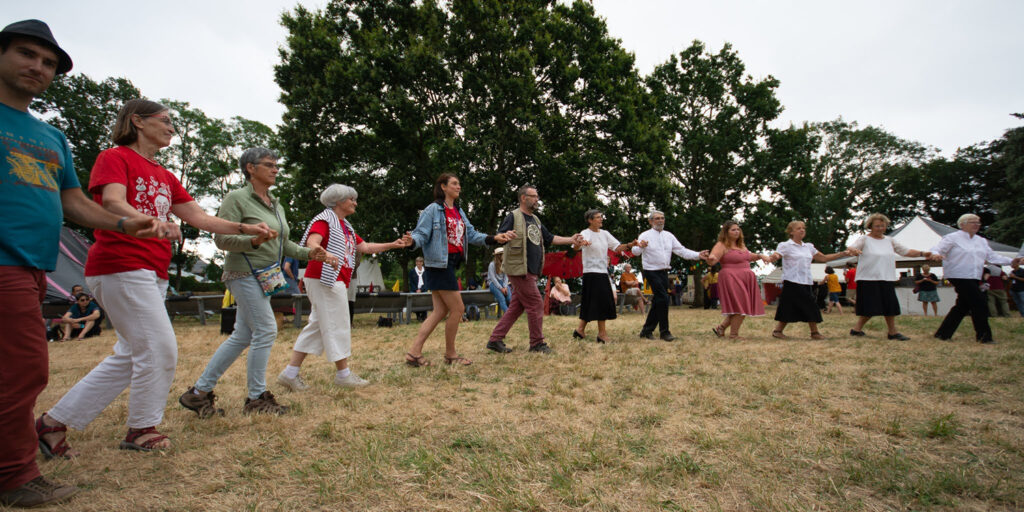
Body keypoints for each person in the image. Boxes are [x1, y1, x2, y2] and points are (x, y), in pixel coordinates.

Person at [39, 99, 275, 458]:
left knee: (131, 354)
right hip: (121, 264)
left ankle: (53, 423)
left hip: (153, 270)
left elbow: (200, 218)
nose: (171, 128)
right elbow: (112, 202)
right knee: (160, 348)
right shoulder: (114, 158)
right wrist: (148, 222)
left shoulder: (165, 175)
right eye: (164, 121)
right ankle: (142, 429)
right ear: (137, 121)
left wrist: (245, 227)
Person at [0, 21, 166, 507]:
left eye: (49, 63)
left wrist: (122, 224)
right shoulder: (116, 157)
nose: (38, 67)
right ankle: (16, 473)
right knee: (25, 370)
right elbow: (111, 194)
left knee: (25, 370)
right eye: (27, 54)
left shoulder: (50, 137)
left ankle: (30, 449)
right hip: (9, 262)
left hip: (34, 264)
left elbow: (74, 202)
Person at [178, 148, 335, 419]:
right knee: (265, 329)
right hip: (243, 273)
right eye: (269, 165)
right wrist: (252, 240)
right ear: (250, 168)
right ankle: (255, 397)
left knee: (242, 335)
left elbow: (283, 243)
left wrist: (310, 253)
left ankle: (199, 393)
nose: (275, 169)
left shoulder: (276, 204)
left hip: (266, 274)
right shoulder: (236, 198)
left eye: (277, 165)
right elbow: (220, 239)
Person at [277, 184, 409, 392]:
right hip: (324, 278)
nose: (355, 203)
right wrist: (325, 254)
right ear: (338, 201)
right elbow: (312, 242)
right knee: (338, 324)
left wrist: (392, 244)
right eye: (351, 199)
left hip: (332, 279)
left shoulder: (345, 226)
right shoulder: (324, 220)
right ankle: (343, 374)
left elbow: (364, 247)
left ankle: (290, 373)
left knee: (318, 325)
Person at [405, 173, 515, 366]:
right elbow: (421, 234)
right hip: (439, 265)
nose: (458, 187)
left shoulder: (458, 211)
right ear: (443, 187)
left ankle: (414, 353)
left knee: (439, 311)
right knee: (458, 308)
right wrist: (412, 241)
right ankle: (450, 355)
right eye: (454, 184)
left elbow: (471, 234)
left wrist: (494, 238)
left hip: (448, 265)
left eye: (459, 184)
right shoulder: (433, 210)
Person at [485, 185, 583, 353]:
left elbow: (550, 238)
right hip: (519, 270)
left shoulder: (535, 220)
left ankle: (495, 340)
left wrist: (570, 239)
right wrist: (505, 237)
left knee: (517, 306)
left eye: (537, 196)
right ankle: (536, 343)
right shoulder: (513, 217)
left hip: (531, 270)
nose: (537, 199)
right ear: (523, 198)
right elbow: (499, 237)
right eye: (534, 196)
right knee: (537, 304)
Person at [931, 214, 1019, 343]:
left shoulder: (981, 241)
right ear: (962, 224)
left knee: (962, 306)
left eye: (978, 222)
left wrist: (1011, 261)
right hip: (958, 275)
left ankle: (943, 333)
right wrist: (936, 255)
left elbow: (992, 257)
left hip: (975, 276)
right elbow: (937, 249)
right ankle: (984, 336)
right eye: (973, 222)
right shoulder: (952, 238)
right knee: (980, 302)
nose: (977, 225)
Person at [846, 213, 931, 340]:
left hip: (887, 278)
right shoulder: (865, 239)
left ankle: (892, 332)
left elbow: (905, 251)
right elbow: (851, 249)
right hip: (868, 279)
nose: (880, 228)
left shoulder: (890, 240)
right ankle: (856, 329)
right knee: (870, 309)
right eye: (877, 226)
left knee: (890, 306)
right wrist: (853, 251)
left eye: (882, 226)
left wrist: (923, 253)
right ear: (871, 226)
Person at [766, 221, 852, 340]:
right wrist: (772, 257)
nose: (802, 230)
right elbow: (777, 255)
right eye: (798, 228)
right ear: (791, 232)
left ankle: (778, 331)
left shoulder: (809, 247)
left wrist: (842, 254)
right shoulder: (785, 245)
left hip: (805, 281)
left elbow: (824, 258)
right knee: (809, 305)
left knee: (789, 306)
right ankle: (814, 333)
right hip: (792, 281)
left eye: (803, 228)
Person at [631, 211, 707, 340]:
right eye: (657, 219)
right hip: (651, 270)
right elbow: (635, 252)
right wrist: (640, 246)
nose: (660, 221)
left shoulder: (669, 236)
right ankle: (664, 332)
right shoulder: (645, 235)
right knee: (663, 298)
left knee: (659, 301)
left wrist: (698, 255)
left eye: (662, 218)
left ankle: (646, 331)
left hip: (664, 271)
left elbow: (681, 250)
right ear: (650, 221)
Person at [573, 209, 639, 344]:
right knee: (600, 302)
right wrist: (581, 243)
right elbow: (575, 247)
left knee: (591, 301)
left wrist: (629, 245)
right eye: (598, 217)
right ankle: (602, 335)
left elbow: (617, 247)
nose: (601, 219)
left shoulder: (605, 234)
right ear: (590, 220)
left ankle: (580, 330)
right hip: (591, 273)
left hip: (602, 272)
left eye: (601, 217)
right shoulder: (585, 233)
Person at [706, 221, 767, 339]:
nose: (737, 232)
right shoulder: (722, 245)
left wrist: (760, 256)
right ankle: (734, 335)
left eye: (738, 229)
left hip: (745, 277)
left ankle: (721, 328)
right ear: (726, 232)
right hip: (731, 277)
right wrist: (710, 259)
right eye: (733, 230)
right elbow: (713, 259)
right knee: (741, 305)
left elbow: (748, 257)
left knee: (739, 306)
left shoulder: (741, 245)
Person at [486, 247, 512, 314]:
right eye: (503, 254)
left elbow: (506, 276)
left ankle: (513, 313)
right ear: (499, 255)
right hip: (493, 284)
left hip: (503, 284)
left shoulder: (505, 264)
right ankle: (508, 315)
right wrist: (501, 288)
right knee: (502, 299)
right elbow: (493, 278)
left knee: (510, 298)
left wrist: (505, 286)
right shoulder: (492, 265)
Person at [408, 256, 429, 321]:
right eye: (417, 262)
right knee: (415, 300)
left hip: (423, 289)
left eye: (420, 262)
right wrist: (416, 290)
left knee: (425, 299)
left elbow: (427, 283)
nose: (418, 263)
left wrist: (421, 290)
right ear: (415, 263)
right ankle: (418, 315)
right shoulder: (412, 271)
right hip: (414, 290)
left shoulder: (426, 271)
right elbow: (411, 282)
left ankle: (424, 315)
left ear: (422, 263)